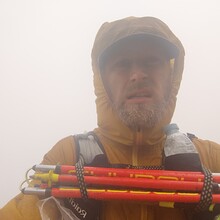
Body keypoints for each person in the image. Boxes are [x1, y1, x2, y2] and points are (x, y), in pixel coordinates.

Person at [1, 16, 220, 220]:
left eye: (152, 61)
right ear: (103, 82)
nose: (137, 75)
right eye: (122, 64)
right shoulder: (69, 155)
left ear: (171, 77)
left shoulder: (211, 159)